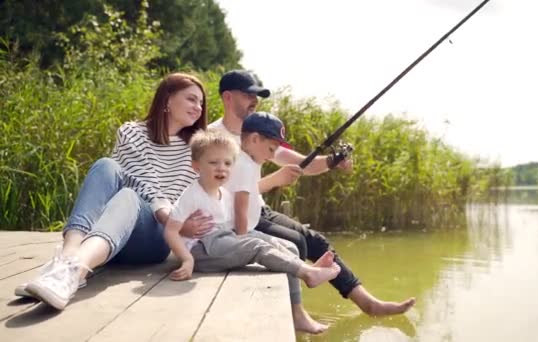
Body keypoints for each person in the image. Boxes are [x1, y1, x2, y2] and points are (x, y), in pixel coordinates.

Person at [209, 69, 416, 316]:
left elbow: (299, 163)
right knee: (296, 242)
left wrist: (332, 161)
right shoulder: (213, 137)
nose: (255, 101)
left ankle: (368, 303)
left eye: (258, 96)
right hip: (236, 215)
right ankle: (297, 308)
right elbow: (221, 192)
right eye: (248, 95)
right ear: (228, 97)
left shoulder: (258, 134)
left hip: (260, 209)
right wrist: (275, 180)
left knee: (317, 241)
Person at [15, 72, 215, 310]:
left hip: (155, 237)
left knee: (129, 196)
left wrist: (178, 222)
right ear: (168, 99)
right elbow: (144, 181)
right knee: (105, 165)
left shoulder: (197, 149)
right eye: (192, 99)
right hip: (110, 232)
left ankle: (74, 269)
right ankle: (66, 261)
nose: (199, 107)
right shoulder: (132, 132)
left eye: (201, 103)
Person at [163, 128, 340, 334]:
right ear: (196, 166)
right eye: (213, 163)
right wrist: (187, 259)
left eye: (228, 163)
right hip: (202, 251)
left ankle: (299, 302)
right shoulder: (192, 194)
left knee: (287, 246)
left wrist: (248, 235)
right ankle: (307, 273)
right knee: (256, 245)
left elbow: (234, 227)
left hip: (222, 240)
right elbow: (170, 231)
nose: (222, 168)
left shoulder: (224, 193)